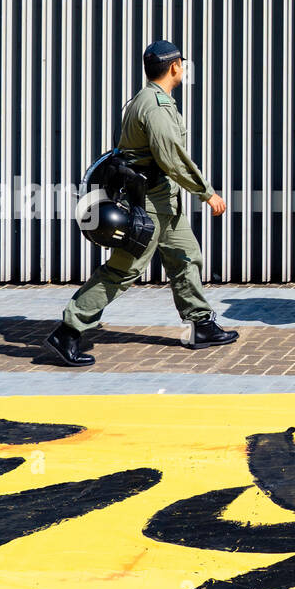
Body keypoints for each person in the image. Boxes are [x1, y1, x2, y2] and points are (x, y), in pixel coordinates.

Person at [44, 40, 237, 367]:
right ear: (175, 67)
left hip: (165, 201)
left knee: (186, 255)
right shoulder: (155, 107)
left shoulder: (146, 99)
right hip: (149, 203)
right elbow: (173, 159)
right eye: (182, 64)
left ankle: (201, 324)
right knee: (124, 269)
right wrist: (207, 193)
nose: (183, 68)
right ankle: (68, 331)